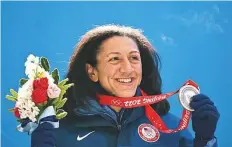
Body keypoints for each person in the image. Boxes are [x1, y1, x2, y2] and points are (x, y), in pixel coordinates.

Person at [31, 24, 220, 147]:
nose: (127, 69)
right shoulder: (60, 128)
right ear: (92, 72)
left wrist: (205, 141)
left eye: (133, 58)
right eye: (115, 59)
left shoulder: (170, 126)